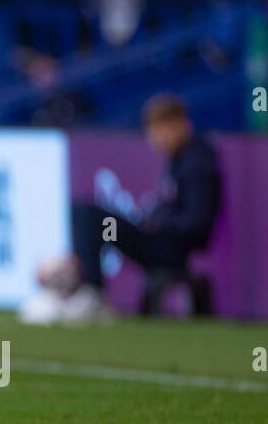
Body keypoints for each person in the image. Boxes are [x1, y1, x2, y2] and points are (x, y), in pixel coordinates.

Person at [59, 95, 219, 315]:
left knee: (91, 218)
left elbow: (197, 222)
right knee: (82, 212)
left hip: (168, 249)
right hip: (157, 240)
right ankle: (84, 288)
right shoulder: (179, 159)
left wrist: (159, 221)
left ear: (178, 126)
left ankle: (93, 294)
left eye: (157, 130)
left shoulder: (196, 164)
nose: (153, 138)